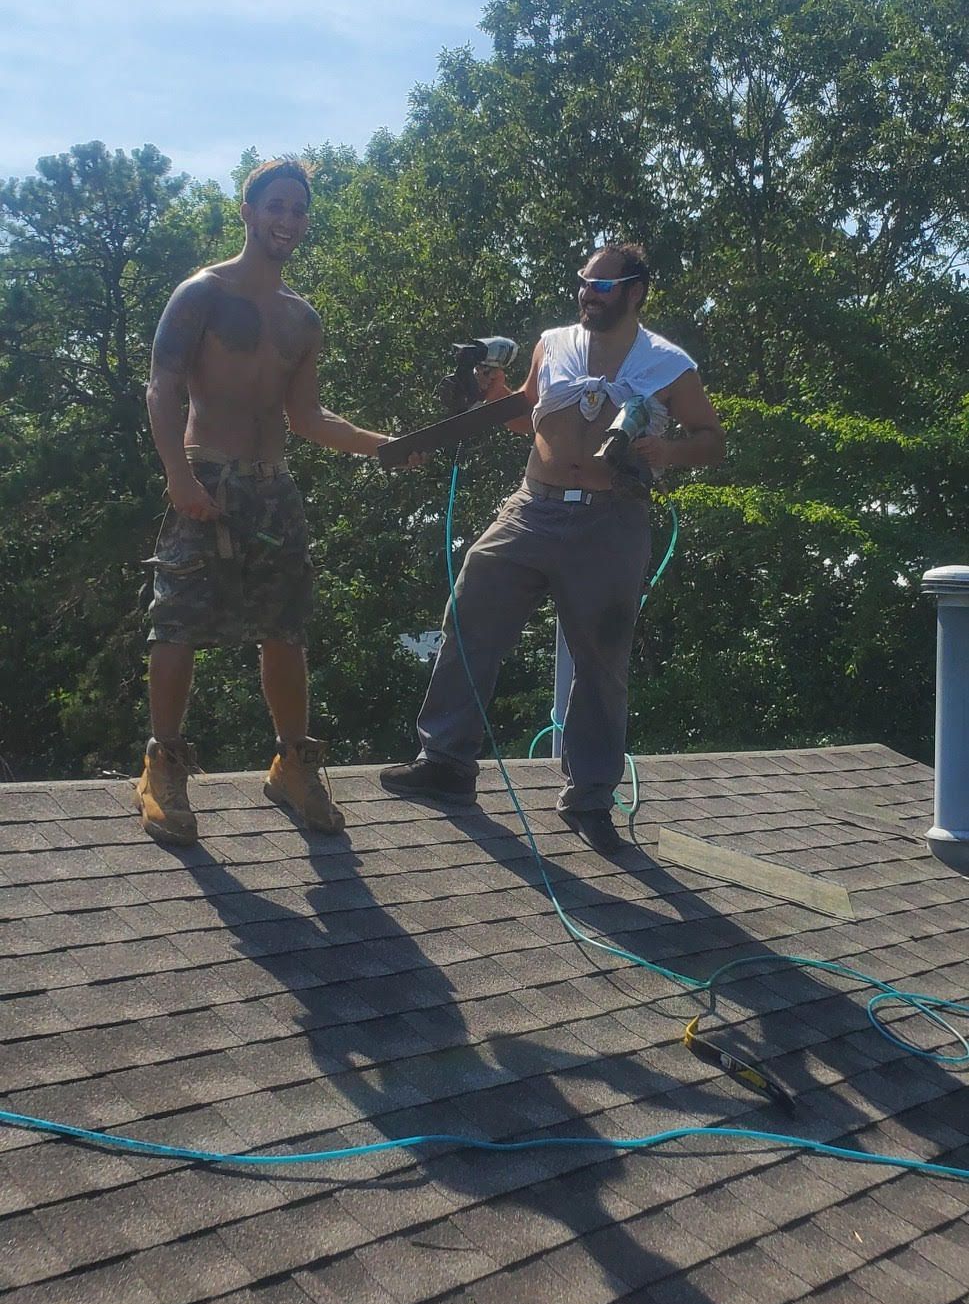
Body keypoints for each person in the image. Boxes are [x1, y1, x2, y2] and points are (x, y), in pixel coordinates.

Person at [381, 243, 726, 857]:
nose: (587, 295)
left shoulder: (670, 365)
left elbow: (710, 439)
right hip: (532, 506)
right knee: (471, 609)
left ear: (636, 291)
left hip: (611, 520)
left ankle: (590, 798)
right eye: (583, 284)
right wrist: (493, 393)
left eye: (601, 286)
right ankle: (447, 763)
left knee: (601, 659)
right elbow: (530, 416)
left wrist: (666, 453)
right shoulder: (553, 342)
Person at [138, 157, 392, 849]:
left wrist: (382, 446)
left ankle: (291, 764)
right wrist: (177, 477)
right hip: (206, 478)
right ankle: (162, 765)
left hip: (274, 487)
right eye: (276, 206)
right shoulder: (201, 294)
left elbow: (307, 417)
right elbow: (161, 388)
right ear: (248, 212)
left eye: (298, 210)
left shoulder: (300, 318)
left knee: (286, 628)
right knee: (178, 623)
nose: (288, 219)